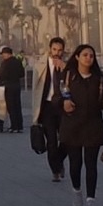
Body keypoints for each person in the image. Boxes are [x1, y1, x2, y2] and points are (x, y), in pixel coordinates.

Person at [58, 43, 103, 206]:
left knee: (91, 163)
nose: (88, 58)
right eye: (85, 55)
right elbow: (58, 97)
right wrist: (64, 103)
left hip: (93, 124)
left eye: (91, 56)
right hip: (73, 125)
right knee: (75, 162)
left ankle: (91, 198)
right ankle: (77, 190)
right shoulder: (68, 76)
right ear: (77, 57)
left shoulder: (99, 79)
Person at [35, 37, 70, 180]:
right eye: (54, 49)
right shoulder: (41, 65)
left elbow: (73, 81)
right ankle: (55, 170)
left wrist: (65, 68)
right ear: (50, 49)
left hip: (63, 106)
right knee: (51, 140)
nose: (57, 53)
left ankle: (59, 160)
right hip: (47, 107)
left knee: (66, 139)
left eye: (60, 50)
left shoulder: (67, 66)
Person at [0, 46, 26, 132]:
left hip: (8, 86)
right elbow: (22, 74)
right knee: (17, 106)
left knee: (11, 107)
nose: (2, 56)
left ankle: (14, 126)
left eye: (3, 54)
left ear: (6, 54)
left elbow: (1, 74)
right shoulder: (18, 62)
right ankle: (20, 126)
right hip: (17, 85)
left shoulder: (5, 63)